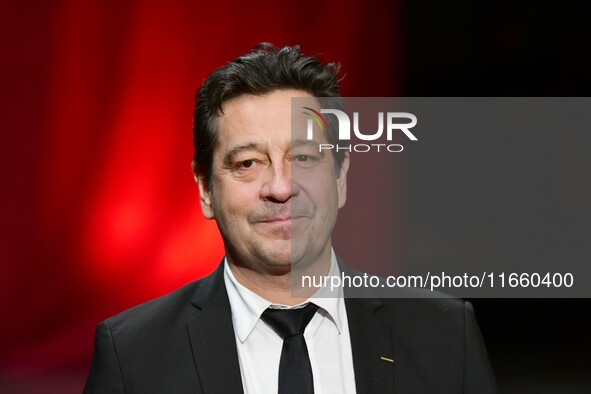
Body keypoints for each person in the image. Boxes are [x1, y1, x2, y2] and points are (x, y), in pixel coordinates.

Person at [84, 43, 496, 393]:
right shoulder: (133, 357)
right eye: (248, 163)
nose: (281, 187)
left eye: (303, 157)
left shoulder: (444, 336)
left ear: (340, 178)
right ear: (205, 189)